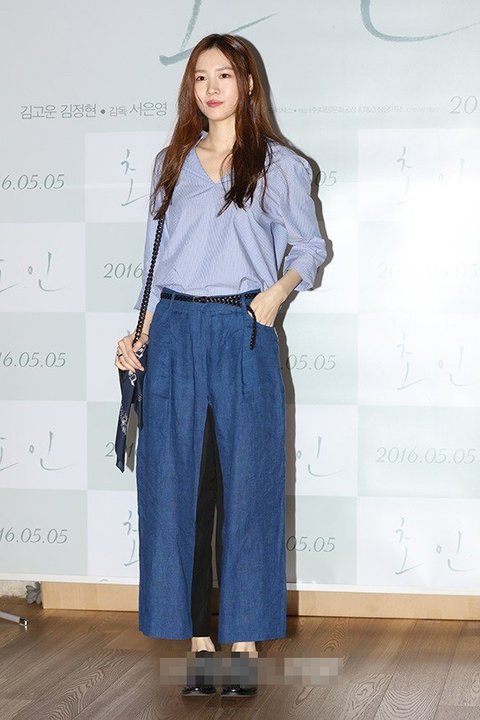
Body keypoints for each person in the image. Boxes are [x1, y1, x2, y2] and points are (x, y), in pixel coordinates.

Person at [114, 33, 327, 696]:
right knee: (177, 486)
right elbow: (156, 262)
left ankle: (243, 640)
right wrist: (139, 334)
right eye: (201, 76)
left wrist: (275, 294)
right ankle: (199, 641)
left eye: (224, 75)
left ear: (248, 84)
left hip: (243, 330)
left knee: (250, 484)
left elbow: (311, 247)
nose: (211, 87)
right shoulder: (171, 162)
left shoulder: (281, 166)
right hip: (175, 330)